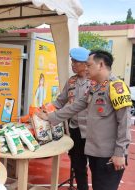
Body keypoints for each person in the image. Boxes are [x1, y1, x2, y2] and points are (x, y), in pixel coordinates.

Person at [37, 50, 131, 190]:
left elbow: (124, 123)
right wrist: (49, 117)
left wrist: (119, 152)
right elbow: (75, 106)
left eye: (89, 65)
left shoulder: (116, 87)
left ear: (100, 65)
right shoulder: (95, 86)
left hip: (109, 156)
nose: (86, 68)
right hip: (95, 152)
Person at [52, 47, 90, 190]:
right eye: (72, 61)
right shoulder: (71, 81)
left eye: (75, 62)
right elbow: (60, 102)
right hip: (75, 130)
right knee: (78, 164)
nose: (72, 64)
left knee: (95, 165)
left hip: (92, 131)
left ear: (85, 64)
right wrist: (43, 110)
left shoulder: (94, 81)